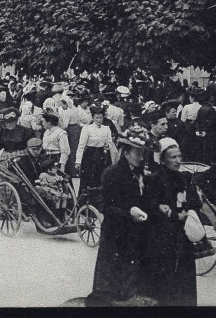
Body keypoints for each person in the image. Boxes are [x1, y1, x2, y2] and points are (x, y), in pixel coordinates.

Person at [86, 127, 153, 306]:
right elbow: (106, 207)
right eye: (137, 153)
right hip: (116, 234)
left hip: (135, 232)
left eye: (143, 154)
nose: (141, 157)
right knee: (112, 281)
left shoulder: (140, 174)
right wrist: (129, 213)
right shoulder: (112, 174)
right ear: (126, 153)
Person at [138, 138, 200, 306]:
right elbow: (150, 207)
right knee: (164, 278)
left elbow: (193, 201)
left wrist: (189, 210)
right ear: (163, 159)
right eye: (173, 157)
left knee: (183, 277)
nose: (177, 161)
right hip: (162, 236)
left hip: (182, 234)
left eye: (179, 156)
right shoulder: (155, 179)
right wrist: (171, 214)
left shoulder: (183, 178)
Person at [76, 104, 118, 197]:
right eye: (96, 117)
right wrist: (78, 161)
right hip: (89, 156)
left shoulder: (106, 129)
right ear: (93, 117)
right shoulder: (87, 128)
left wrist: (107, 145)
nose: (99, 120)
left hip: (102, 155)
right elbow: (81, 146)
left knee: (101, 178)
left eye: (100, 117)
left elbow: (110, 142)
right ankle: (84, 201)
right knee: (88, 178)